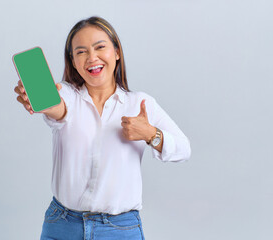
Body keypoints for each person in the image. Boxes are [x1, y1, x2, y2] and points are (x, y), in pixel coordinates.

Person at [14, 16, 191, 240]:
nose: (92, 57)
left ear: (116, 52)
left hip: (119, 229)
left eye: (100, 47)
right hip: (62, 225)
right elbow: (57, 107)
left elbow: (184, 149)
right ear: (73, 62)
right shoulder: (67, 95)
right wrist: (39, 98)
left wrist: (150, 134)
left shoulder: (140, 104)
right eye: (81, 52)